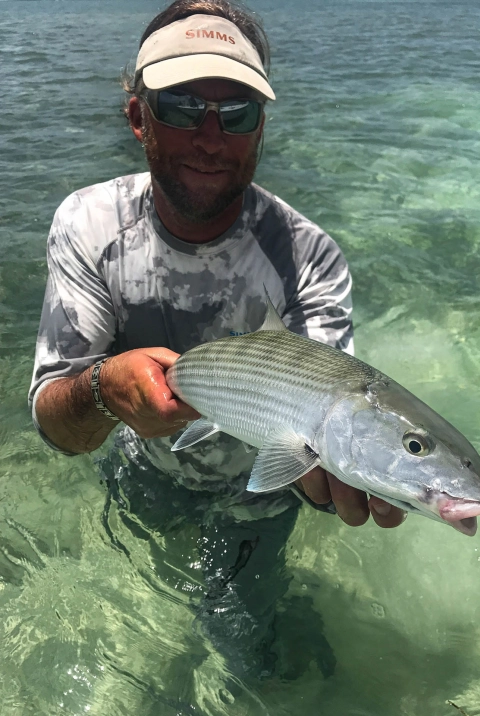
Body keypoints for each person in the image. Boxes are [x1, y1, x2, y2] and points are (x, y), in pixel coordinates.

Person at [29, 0, 405, 681]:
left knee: (243, 648)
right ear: (137, 116)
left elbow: (334, 410)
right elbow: (59, 428)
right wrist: (101, 388)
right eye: (179, 106)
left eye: (236, 113)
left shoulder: (309, 258)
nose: (210, 136)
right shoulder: (87, 225)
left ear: (260, 127)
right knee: (127, 615)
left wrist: (346, 477)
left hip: (257, 499)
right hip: (142, 471)